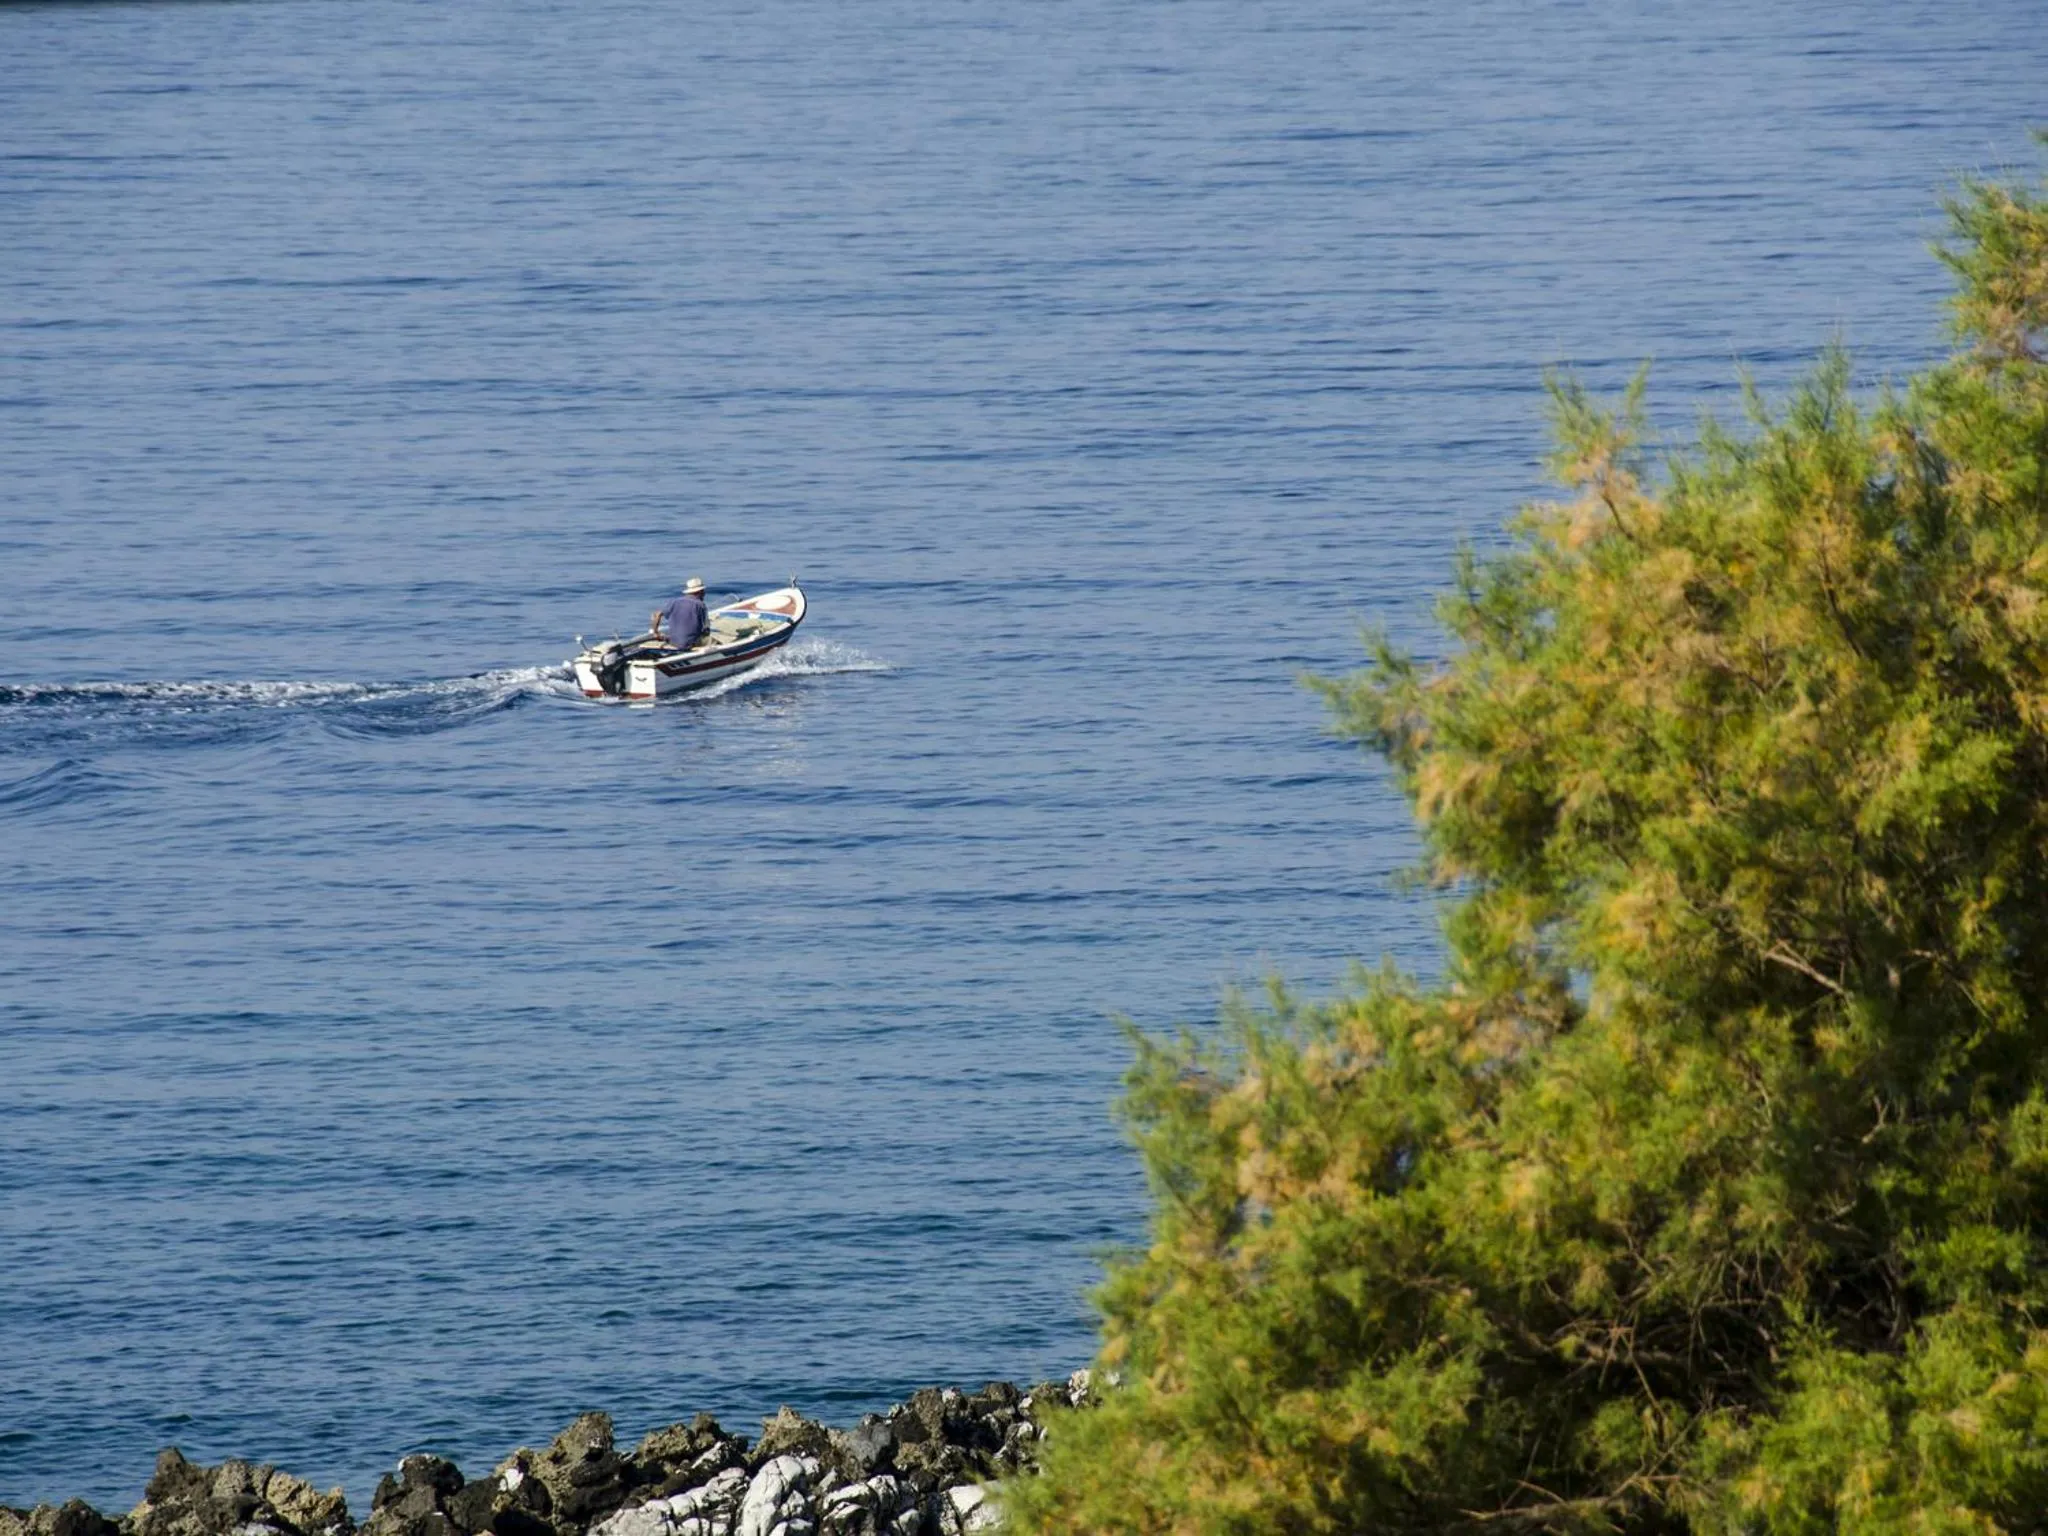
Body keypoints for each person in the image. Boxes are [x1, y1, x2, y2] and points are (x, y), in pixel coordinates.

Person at [652, 577, 709, 649]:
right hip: (690, 644)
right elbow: (705, 630)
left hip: (673, 642)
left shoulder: (674, 602)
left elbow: (657, 615)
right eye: (703, 591)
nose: (704, 593)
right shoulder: (700, 605)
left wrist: (655, 632)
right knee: (714, 640)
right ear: (700, 591)